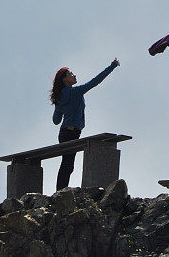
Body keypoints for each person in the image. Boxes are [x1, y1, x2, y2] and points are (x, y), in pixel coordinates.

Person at [50, 59, 119, 190]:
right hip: (71, 132)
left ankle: (60, 190)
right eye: (70, 74)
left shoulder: (60, 96)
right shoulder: (74, 92)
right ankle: (60, 191)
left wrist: (60, 106)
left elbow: (56, 120)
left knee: (67, 164)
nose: (74, 75)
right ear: (64, 79)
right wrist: (112, 66)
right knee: (68, 165)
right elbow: (95, 82)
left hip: (65, 132)